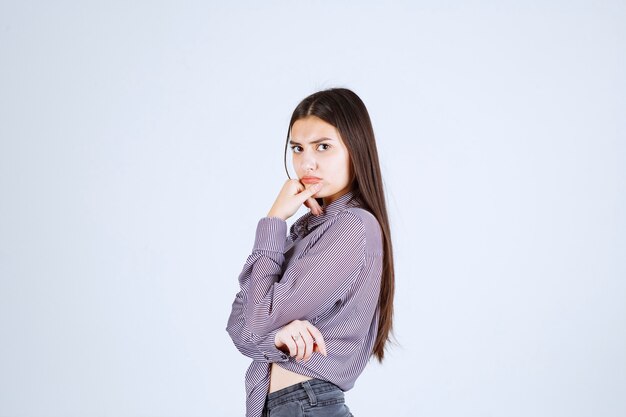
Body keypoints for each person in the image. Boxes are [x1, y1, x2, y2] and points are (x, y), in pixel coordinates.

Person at [226, 87, 395, 417]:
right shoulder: (309, 230)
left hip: (305, 404)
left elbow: (256, 318)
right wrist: (276, 338)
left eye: (323, 147)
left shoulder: (353, 226)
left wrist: (274, 219)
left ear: (355, 150)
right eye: (297, 148)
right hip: (292, 405)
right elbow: (239, 326)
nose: (307, 162)